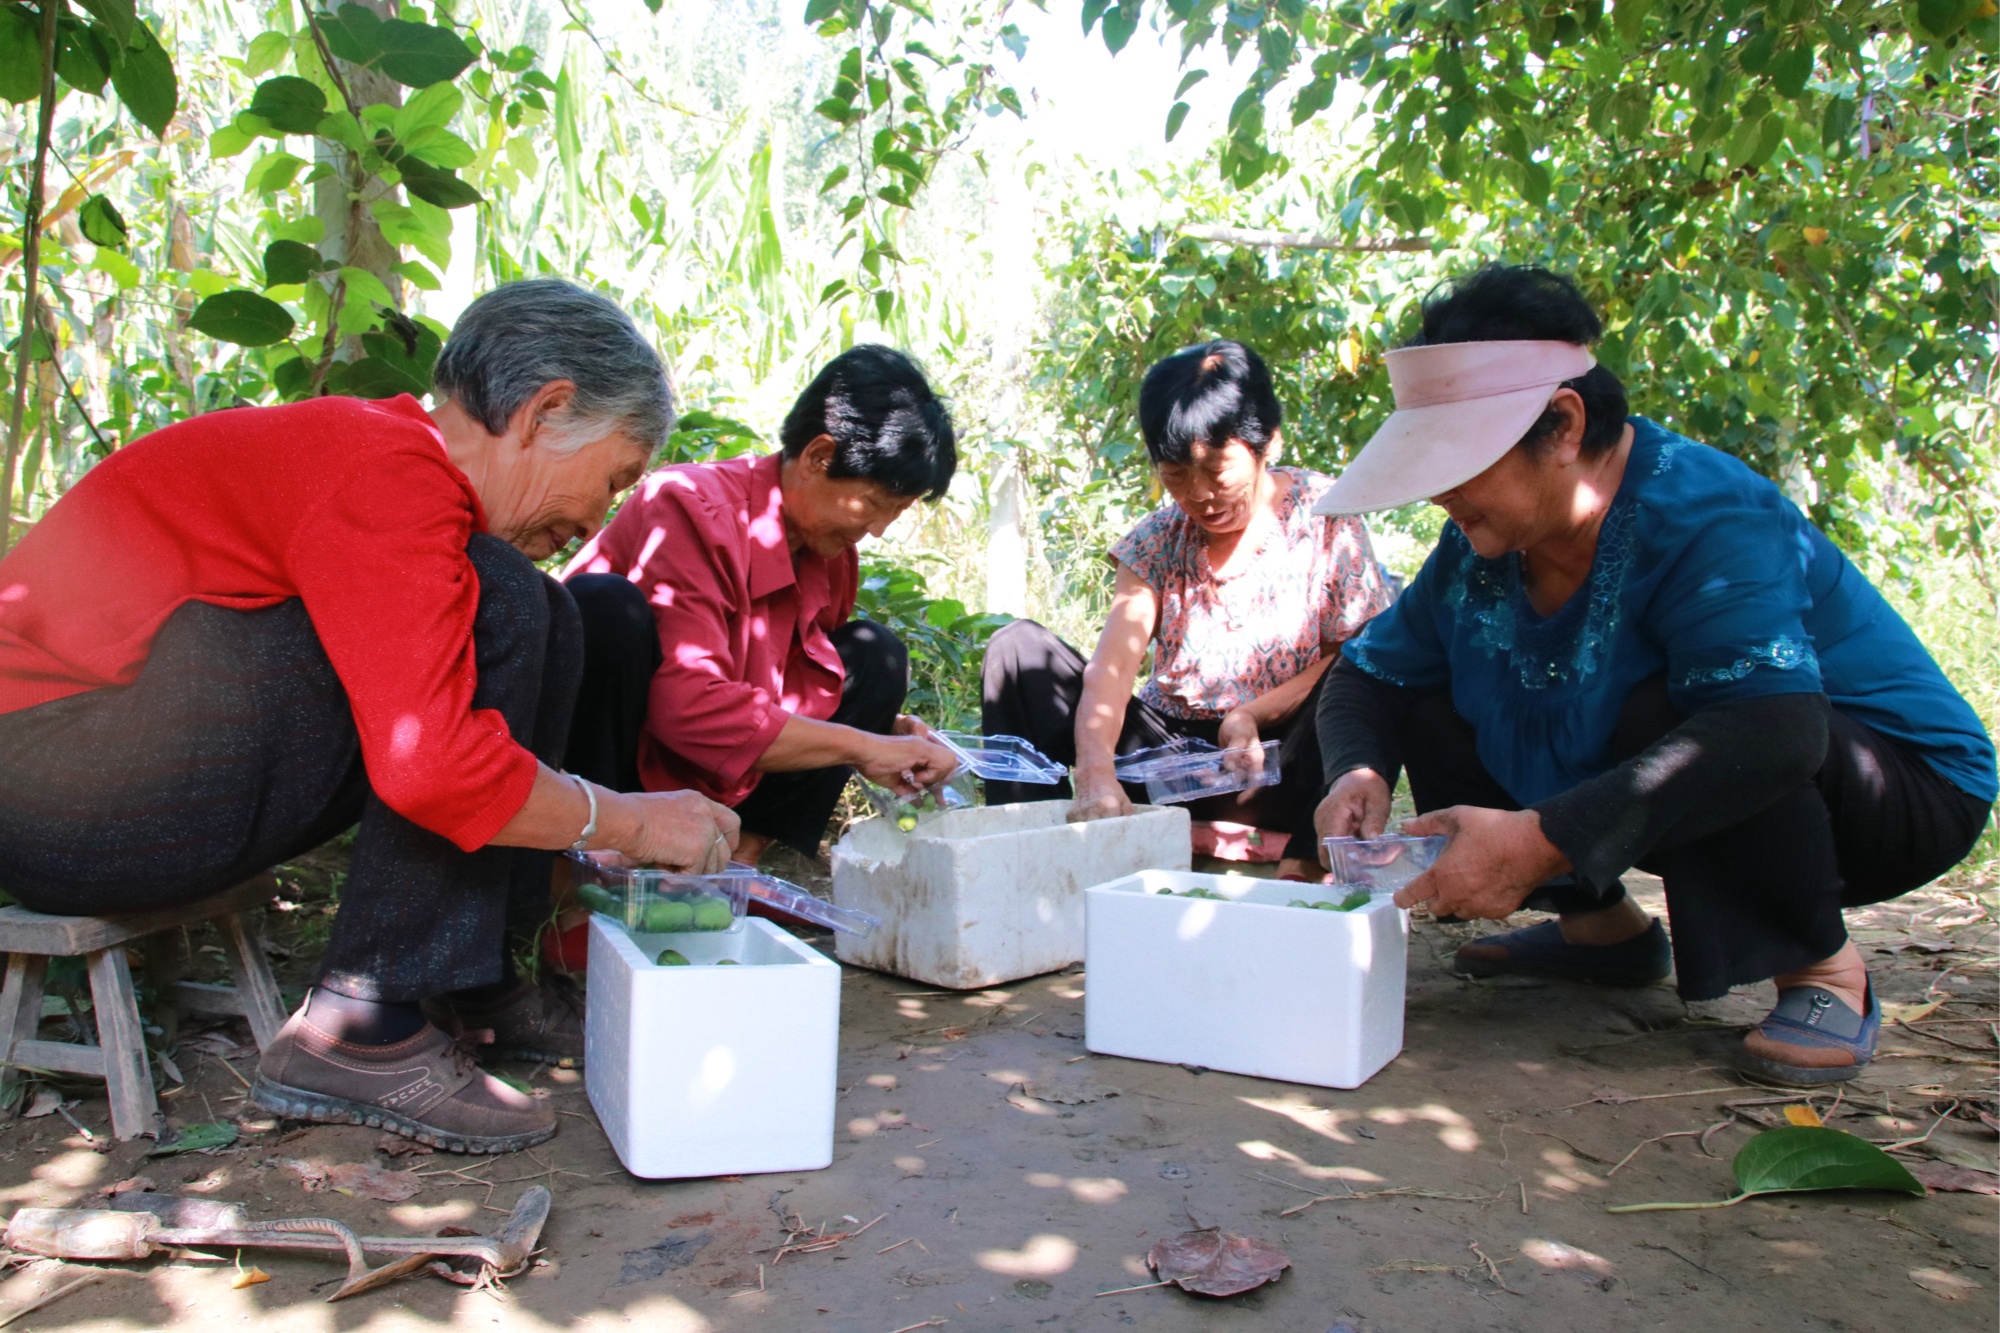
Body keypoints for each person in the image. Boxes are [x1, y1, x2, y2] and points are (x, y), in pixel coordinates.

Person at [0, 279, 741, 1153]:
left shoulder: (394, 465)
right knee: (498, 600)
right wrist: (630, 818)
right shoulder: (385, 469)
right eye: (612, 478)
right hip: (52, 796)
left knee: (545, 608)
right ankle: (365, 1021)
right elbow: (428, 761)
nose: (597, 515)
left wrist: (582, 817)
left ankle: (472, 984)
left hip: (104, 773)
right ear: (546, 412)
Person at [1312, 264, 1995, 1086]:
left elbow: (1775, 730)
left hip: (1896, 790)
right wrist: (1357, 767)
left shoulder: (1709, 515)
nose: (1438, 494)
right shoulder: (1481, 547)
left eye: (1459, 462)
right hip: (1733, 764)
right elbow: (1371, 674)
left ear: (1562, 426)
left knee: (1682, 710)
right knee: (1441, 694)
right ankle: (1603, 932)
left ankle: (1823, 970)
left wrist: (1535, 843)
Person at [983, 340, 1393, 880]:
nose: (1200, 495)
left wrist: (1251, 714)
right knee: (1017, 652)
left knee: (1368, 668)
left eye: (1217, 470)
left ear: (1267, 441)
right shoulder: (1156, 540)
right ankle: (1025, 862)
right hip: (1173, 766)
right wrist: (1097, 770)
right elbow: (1113, 666)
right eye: (1176, 474)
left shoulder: (1329, 516)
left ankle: (1306, 864)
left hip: (1278, 765)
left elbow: (1357, 657)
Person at [561, 345, 961, 867]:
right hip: (623, 755)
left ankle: (737, 861)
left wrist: (883, 733)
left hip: (722, 766)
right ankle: (579, 872)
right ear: (819, 457)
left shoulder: (830, 552)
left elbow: (797, 680)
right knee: (604, 607)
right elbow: (687, 707)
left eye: (896, 512)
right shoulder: (687, 505)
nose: (878, 529)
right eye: (874, 504)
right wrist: (861, 748)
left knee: (873, 654)